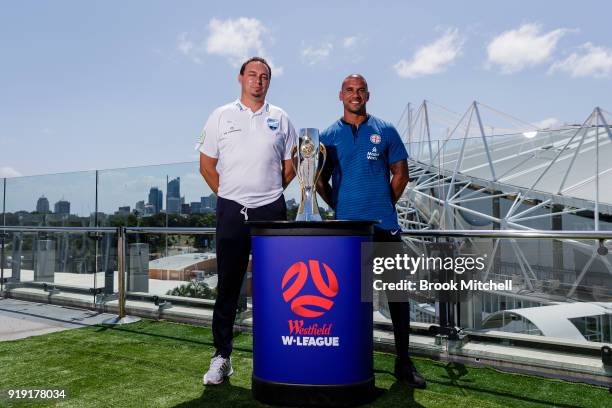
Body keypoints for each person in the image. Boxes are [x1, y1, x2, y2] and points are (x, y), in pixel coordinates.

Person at [317, 74, 426, 389]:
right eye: (350, 90)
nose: (355, 95)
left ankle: (403, 363)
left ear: (368, 94)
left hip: (384, 228)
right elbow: (319, 179)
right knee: (351, 299)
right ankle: (350, 361)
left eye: (361, 90)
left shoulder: (386, 129)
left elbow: (401, 174)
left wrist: (383, 205)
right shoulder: (327, 136)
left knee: (397, 297)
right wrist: (339, 205)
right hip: (348, 231)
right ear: (340, 95)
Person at [197, 57, 296, 385]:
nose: (258, 81)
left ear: (269, 82)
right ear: (241, 78)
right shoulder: (220, 115)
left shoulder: (281, 118)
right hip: (232, 212)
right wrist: (229, 194)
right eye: (252, 75)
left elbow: (291, 165)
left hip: (271, 211)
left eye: (264, 76)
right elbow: (207, 165)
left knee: (277, 288)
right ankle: (222, 357)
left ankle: (276, 355)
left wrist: (268, 194)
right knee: (228, 287)